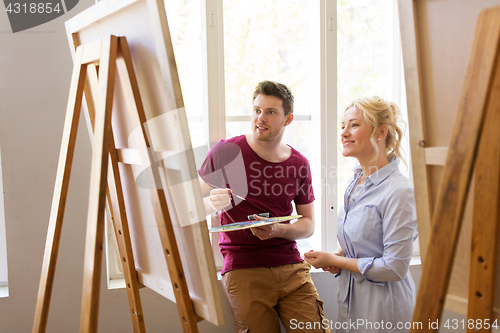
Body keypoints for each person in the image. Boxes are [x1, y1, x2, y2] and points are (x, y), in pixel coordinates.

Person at [198, 80, 329, 333]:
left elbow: (308, 224)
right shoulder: (226, 151)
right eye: (257, 110)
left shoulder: (299, 163)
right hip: (243, 267)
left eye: (271, 112)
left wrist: (277, 230)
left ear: (288, 119)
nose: (261, 118)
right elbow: (185, 202)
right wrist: (210, 202)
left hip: (292, 268)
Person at [304, 96, 417, 333]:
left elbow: (394, 268)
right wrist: (340, 255)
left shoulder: (399, 191)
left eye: (354, 125)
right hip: (350, 304)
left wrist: (335, 260)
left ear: (380, 131)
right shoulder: (355, 183)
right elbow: (365, 242)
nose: (344, 133)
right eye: (342, 126)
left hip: (385, 311)